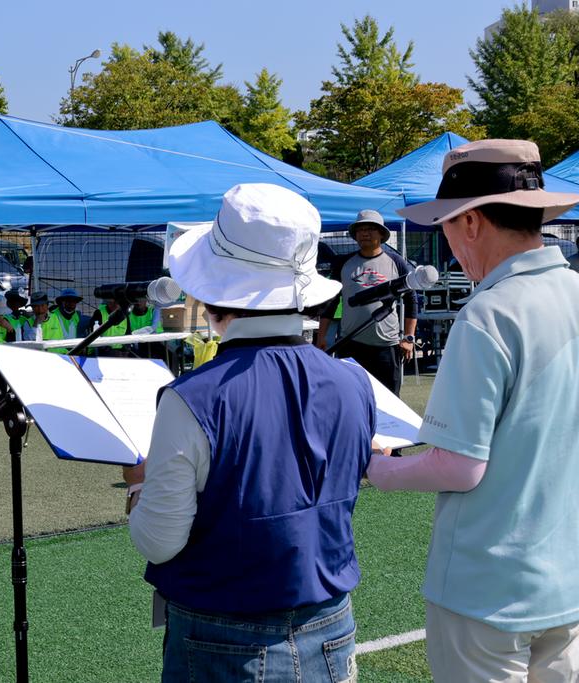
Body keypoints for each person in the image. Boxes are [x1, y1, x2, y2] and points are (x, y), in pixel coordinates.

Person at [129, 183, 374, 682]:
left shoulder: (191, 397)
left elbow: (158, 541)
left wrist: (137, 484)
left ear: (213, 292)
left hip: (222, 638)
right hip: (332, 623)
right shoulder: (354, 381)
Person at [369, 139, 579, 682]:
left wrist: (378, 468)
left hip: (488, 587)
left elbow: (459, 466)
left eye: (445, 223)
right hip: (567, 580)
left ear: (470, 221)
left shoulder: (489, 313)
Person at [316, 208, 418, 396]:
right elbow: (330, 303)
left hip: (387, 347)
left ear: (381, 234)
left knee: (389, 404)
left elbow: (411, 300)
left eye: (370, 229)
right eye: (360, 229)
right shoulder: (343, 263)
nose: (365, 233)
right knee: (351, 400)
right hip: (350, 344)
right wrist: (322, 336)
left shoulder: (396, 262)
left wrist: (409, 338)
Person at [49, 288, 83, 354]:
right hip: (57, 353)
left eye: (74, 301)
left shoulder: (78, 316)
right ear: (62, 301)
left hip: (74, 353)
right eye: (68, 300)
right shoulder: (52, 315)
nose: (71, 303)